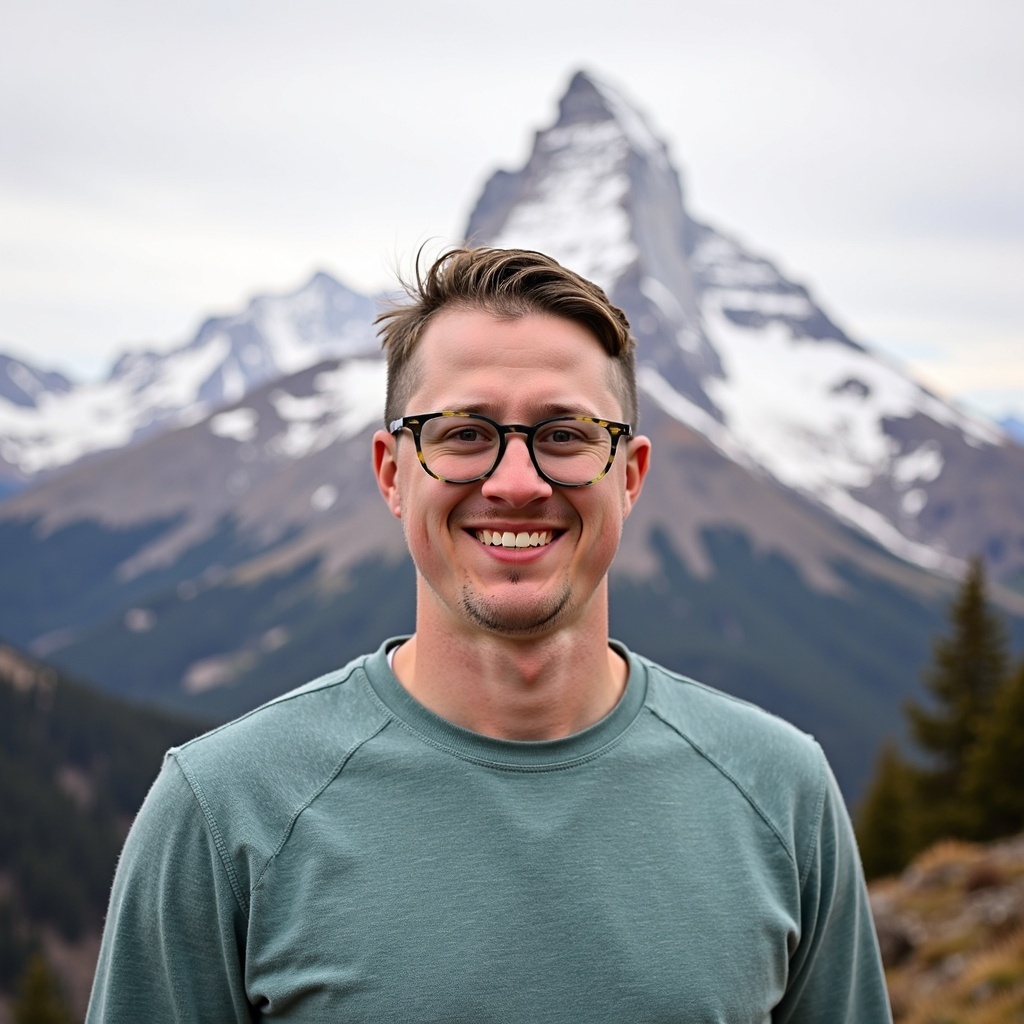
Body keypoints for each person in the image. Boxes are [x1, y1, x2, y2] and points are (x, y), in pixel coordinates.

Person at [87, 247, 893, 1022]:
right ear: (393, 473)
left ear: (631, 475)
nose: (515, 484)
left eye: (566, 435)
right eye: (465, 434)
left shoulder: (782, 793)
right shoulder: (223, 809)